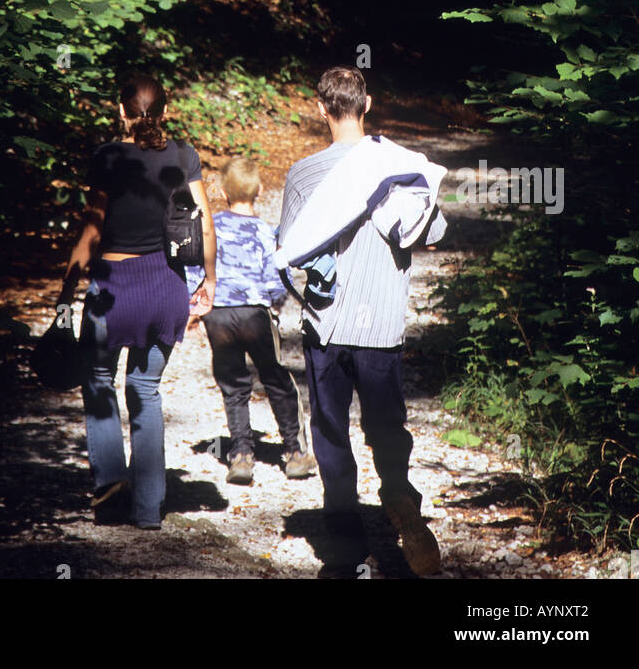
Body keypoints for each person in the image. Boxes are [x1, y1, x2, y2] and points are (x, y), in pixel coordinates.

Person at [275, 67, 447, 577]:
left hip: (326, 325)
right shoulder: (397, 166)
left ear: (319, 108)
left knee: (330, 431)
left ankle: (345, 546)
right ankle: (398, 496)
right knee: (386, 427)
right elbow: (430, 231)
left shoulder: (304, 174)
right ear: (367, 105)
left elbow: (291, 247)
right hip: (381, 325)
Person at [57, 73, 217, 530]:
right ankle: (148, 509)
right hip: (166, 288)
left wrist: (67, 288)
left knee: (100, 383)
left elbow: (91, 229)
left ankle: (109, 491)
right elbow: (205, 225)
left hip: (113, 290)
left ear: (119, 111)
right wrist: (209, 281)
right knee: (145, 391)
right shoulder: (185, 155)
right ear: (165, 111)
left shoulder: (107, 157)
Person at [187, 157, 315, 485]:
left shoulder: (210, 226)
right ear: (259, 190)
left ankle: (241, 455)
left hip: (220, 315)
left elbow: (194, 269)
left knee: (233, 384)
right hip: (255, 316)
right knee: (275, 377)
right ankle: (294, 452)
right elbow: (277, 280)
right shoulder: (265, 232)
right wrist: (274, 306)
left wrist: (194, 310)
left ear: (222, 191)